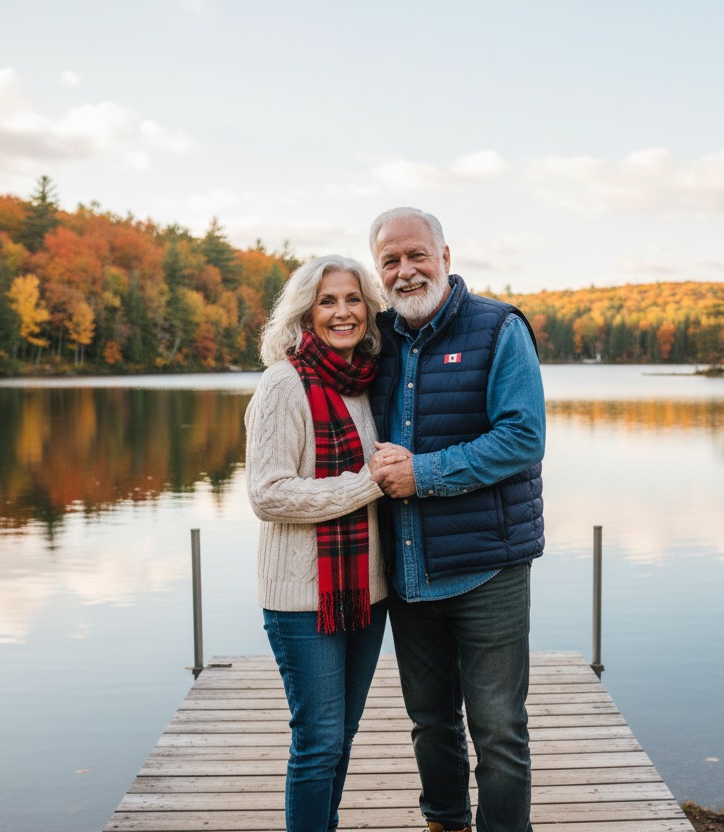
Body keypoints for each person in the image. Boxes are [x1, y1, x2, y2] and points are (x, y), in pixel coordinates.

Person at [367, 207, 545, 832]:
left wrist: (425, 473)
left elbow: (523, 437)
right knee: (431, 721)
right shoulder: (375, 340)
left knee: (497, 729)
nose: (406, 270)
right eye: (390, 260)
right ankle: (444, 820)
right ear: (378, 270)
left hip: (487, 569)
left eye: (417, 255)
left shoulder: (498, 328)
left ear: (445, 256)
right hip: (410, 569)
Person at [244, 254, 406, 832]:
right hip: (301, 599)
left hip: (367, 591)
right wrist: (369, 482)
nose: (343, 312)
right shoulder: (283, 384)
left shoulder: (365, 383)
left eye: (354, 299)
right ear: (305, 312)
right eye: (328, 301)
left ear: (370, 309)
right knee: (317, 741)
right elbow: (268, 495)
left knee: (342, 737)